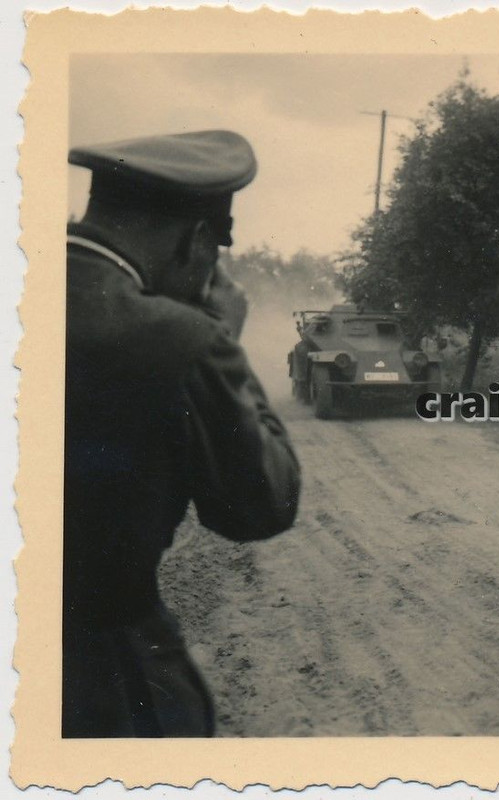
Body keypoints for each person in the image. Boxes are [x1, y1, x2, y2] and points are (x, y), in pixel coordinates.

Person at [63, 130, 302, 737]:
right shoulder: (178, 338)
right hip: (100, 675)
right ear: (197, 240)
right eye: (214, 250)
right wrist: (221, 338)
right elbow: (261, 505)